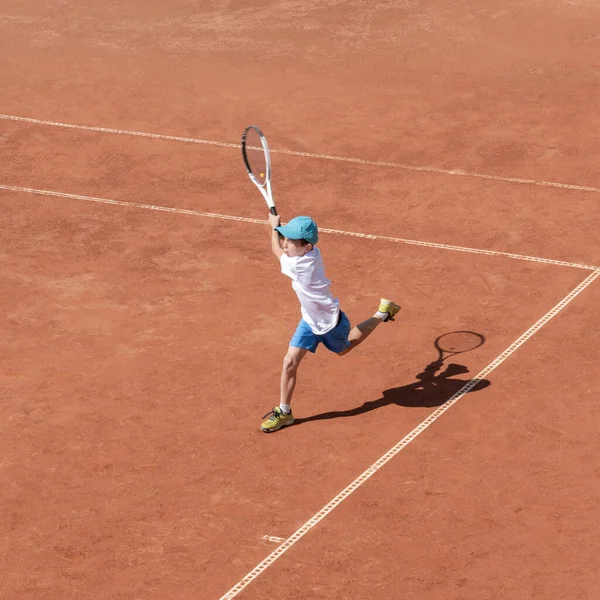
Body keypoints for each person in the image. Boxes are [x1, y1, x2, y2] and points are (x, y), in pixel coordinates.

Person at [260, 213, 401, 433]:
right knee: (289, 362)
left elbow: (276, 252)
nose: (285, 243)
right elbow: (285, 250)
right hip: (308, 321)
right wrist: (280, 229)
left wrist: (272, 228)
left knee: (345, 349)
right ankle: (284, 412)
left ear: (306, 247)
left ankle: (382, 313)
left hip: (330, 324)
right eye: (285, 238)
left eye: (290, 240)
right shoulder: (311, 252)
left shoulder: (301, 266)